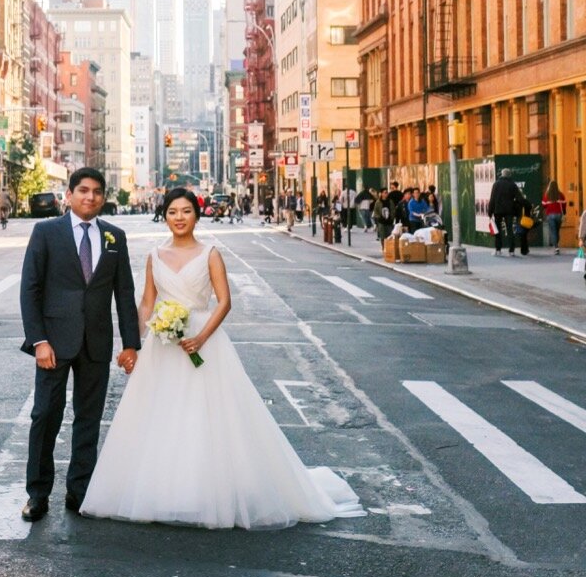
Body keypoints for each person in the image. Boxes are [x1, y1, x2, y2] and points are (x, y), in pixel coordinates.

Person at [81, 187, 362, 528]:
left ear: (196, 215)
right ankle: (167, 491)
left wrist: (200, 337)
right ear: (164, 216)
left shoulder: (210, 253)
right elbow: (146, 303)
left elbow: (224, 301)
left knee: (206, 416)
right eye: (172, 212)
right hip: (163, 345)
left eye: (186, 211)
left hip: (204, 342)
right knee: (162, 415)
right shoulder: (155, 254)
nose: (179, 218)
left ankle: (205, 492)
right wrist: (133, 343)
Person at [19, 167, 139, 523]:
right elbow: (30, 289)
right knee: (45, 417)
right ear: (68, 195)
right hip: (53, 345)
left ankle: (80, 490)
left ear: (103, 197)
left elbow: (125, 294)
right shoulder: (46, 232)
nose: (90, 197)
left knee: (89, 420)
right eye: (83, 190)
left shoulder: (115, 237)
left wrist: (131, 344)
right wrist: (38, 340)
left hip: (96, 344)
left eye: (97, 191)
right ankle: (37, 494)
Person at [487, 169, 528, 256]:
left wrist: (490, 212)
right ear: (509, 175)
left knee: (497, 230)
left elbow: (492, 198)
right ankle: (511, 250)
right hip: (509, 211)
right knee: (510, 230)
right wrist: (526, 204)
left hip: (498, 211)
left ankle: (498, 249)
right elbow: (519, 198)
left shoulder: (496, 184)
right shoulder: (512, 185)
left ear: (502, 174)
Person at [541, 178, 567, 254]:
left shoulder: (547, 195)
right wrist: (564, 212)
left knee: (553, 231)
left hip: (550, 215)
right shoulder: (561, 195)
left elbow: (543, 205)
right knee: (557, 230)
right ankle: (556, 244)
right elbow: (564, 204)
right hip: (559, 214)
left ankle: (556, 247)